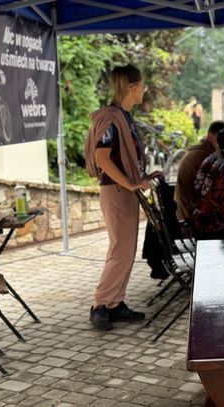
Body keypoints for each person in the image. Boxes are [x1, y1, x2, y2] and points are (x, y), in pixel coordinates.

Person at [85, 64, 154, 331]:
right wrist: (130, 183)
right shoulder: (111, 118)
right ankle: (100, 304)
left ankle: (115, 303)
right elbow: (102, 158)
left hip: (124, 190)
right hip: (116, 190)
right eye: (142, 85)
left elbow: (124, 158)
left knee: (126, 250)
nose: (144, 90)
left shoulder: (123, 116)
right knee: (120, 250)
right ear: (133, 87)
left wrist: (142, 177)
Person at [173, 120, 224, 230]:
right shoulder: (204, 156)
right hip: (192, 217)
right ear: (210, 136)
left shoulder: (203, 150)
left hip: (187, 212)